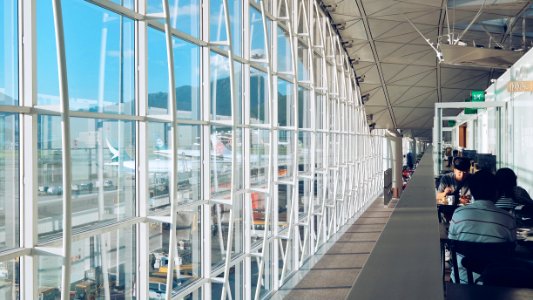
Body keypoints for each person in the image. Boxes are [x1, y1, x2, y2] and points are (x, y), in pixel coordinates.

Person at [448, 170, 516, 284]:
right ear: (496, 191)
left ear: (472, 191)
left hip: (462, 281)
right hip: (495, 283)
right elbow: (512, 249)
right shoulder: (508, 218)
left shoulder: (458, 214)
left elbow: (451, 245)